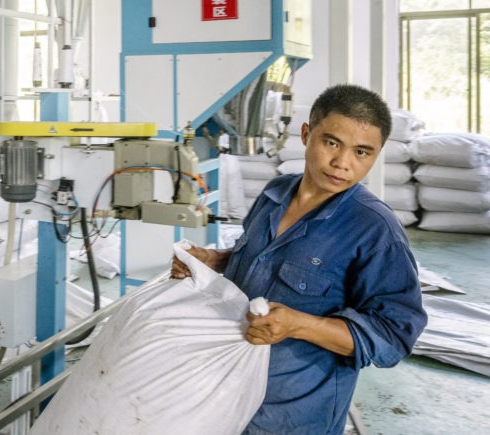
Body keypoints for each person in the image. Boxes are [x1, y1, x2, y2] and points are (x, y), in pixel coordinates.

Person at [171, 83, 427, 435]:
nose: (342, 163)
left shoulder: (373, 229)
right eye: (331, 143)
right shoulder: (274, 195)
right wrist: (214, 259)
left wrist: (298, 325)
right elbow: (259, 261)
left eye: (362, 152)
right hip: (229, 390)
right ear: (307, 135)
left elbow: (393, 336)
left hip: (293, 415)